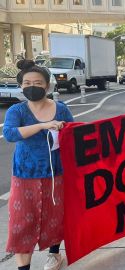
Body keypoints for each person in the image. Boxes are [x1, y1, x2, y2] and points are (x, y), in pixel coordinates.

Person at [3, 60, 74, 270]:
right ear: (21, 86)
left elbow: (75, 133)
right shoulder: (17, 111)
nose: (32, 86)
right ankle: (23, 267)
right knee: (21, 222)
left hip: (56, 173)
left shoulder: (61, 109)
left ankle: (54, 255)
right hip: (25, 174)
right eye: (26, 82)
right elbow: (9, 133)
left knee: (55, 217)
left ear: (47, 86)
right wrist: (43, 125)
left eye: (38, 82)